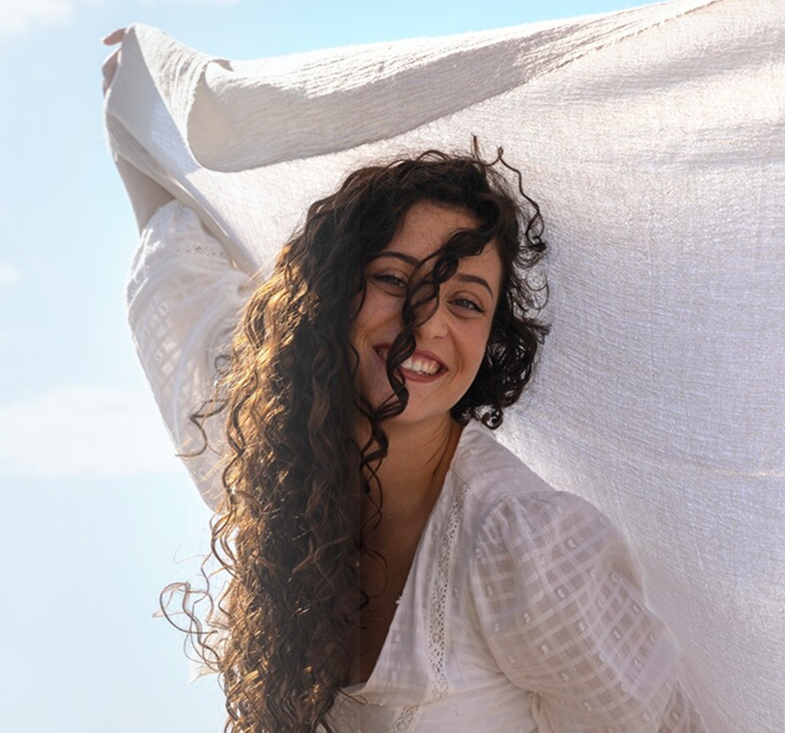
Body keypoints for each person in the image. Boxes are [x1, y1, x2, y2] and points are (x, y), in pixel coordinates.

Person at [106, 32, 707, 732]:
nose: (426, 324)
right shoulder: (272, 457)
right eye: (394, 279)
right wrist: (135, 113)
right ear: (329, 296)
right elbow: (175, 277)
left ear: (492, 339)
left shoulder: (527, 546)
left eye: (466, 302)